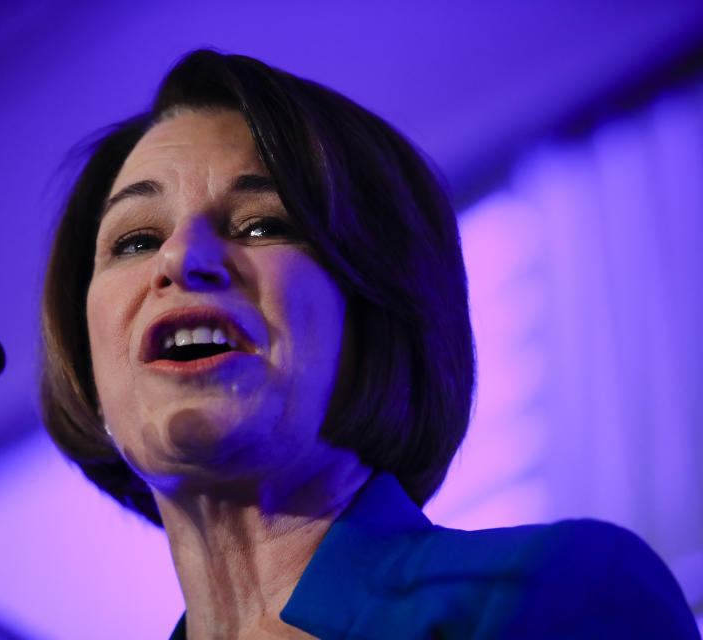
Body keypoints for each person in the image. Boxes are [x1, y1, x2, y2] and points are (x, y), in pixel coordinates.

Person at [40, 50, 698, 639]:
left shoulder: (547, 596)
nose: (182, 257)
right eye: (135, 240)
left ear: (377, 311)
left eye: (263, 225)